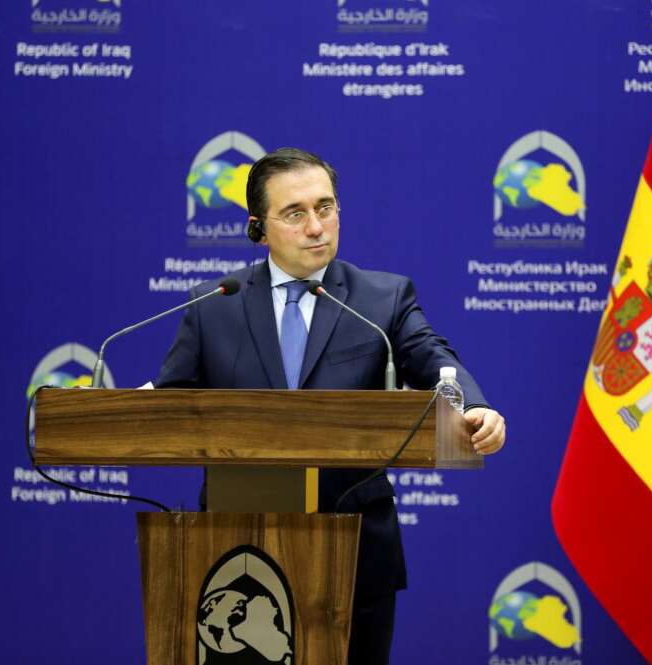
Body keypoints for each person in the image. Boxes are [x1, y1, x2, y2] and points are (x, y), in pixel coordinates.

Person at [156, 147, 506, 664]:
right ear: (258, 228)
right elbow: (169, 410)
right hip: (236, 554)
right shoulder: (215, 304)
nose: (316, 226)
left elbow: (432, 357)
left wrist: (474, 406)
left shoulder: (380, 298)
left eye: (326, 207)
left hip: (357, 552)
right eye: (295, 213)